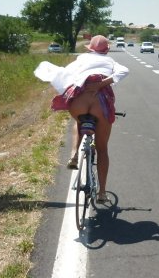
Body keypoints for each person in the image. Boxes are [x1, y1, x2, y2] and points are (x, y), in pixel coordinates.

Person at [34, 35, 129, 203]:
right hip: (101, 101)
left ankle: (74, 153)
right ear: (106, 50)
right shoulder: (110, 61)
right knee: (102, 149)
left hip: (80, 101)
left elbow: (66, 73)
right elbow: (124, 71)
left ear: (90, 49)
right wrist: (101, 84)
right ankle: (102, 193)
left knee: (79, 121)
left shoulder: (81, 59)